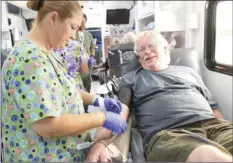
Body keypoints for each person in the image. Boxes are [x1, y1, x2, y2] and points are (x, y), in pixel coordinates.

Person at [1, 1, 127, 162]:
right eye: (73, 27)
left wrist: (97, 101)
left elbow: (65, 89)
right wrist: (102, 118)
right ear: (53, 19)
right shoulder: (30, 60)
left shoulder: (47, 52)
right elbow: (48, 126)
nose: (74, 36)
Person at [86, 30, 233, 162]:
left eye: (151, 46)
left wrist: (225, 128)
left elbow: (214, 108)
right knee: (207, 155)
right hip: (170, 135)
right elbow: (120, 114)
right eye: (141, 49)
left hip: (213, 126)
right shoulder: (132, 78)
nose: (147, 52)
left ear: (166, 48)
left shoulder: (190, 72)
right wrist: (100, 143)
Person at [76, 14, 96, 92]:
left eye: (85, 22)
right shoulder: (72, 34)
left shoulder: (89, 35)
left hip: (87, 63)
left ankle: (86, 103)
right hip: (76, 65)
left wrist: (92, 56)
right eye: (81, 22)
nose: (83, 24)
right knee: (78, 86)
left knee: (87, 84)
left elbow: (92, 46)